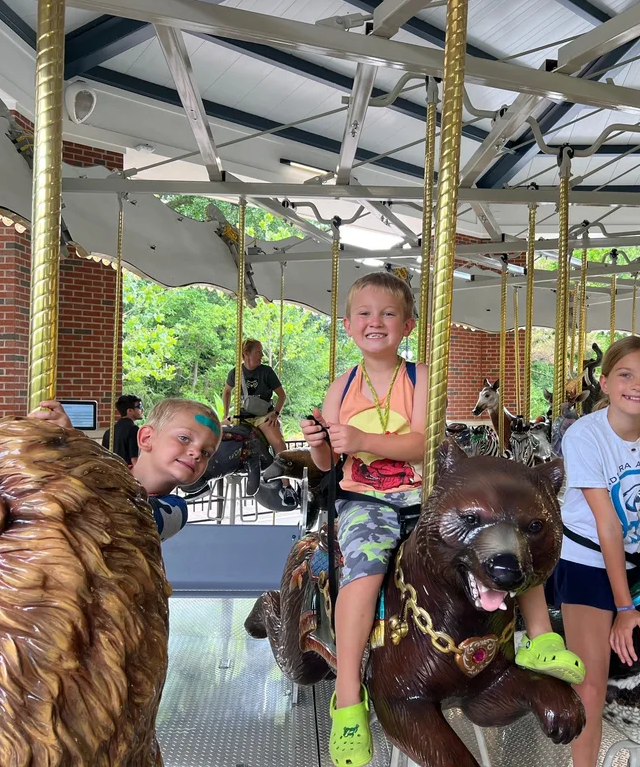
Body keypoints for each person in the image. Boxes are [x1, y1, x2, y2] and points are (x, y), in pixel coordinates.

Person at [299, 272, 582, 767]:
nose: (375, 323)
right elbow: (329, 467)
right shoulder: (339, 387)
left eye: (387, 314)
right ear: (347, 325)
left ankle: (541, 641)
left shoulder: (421, 379)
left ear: (407, 325)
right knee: (364, 577)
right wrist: (321, 444)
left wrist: (364, 440)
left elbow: (425, 444)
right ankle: (348, 697)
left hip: (425, 501)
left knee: (508, 541)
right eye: (364, 314)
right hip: (367, 503)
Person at [553, 336, 640, 767]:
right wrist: (623, 607)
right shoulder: (586, 436)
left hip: (633, 557)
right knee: (590, 681)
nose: (637, 385)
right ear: (604, 383)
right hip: (586, 561)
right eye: (625, 375)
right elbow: (606, 524)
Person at [32, 398, 220, 542]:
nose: (196, 454)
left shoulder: (175, 511)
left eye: (206, 452)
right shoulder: (105, 472)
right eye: (184, 438)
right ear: (147, 438)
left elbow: (122, 511)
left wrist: (76, 448)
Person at [222, 338, 298, 507]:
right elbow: (226, 392)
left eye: (261, 352)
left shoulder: (267, 372)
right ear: (246, 354)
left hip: (263, 415)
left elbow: (282, 395)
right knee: (217, 432)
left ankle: (286, 486)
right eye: (258, 352)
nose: (261, 355)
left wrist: (275, 414)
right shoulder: (236, 372)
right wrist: (225, 414)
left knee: (278, 442)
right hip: (242, 415)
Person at [101, 394, 144, 465]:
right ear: (130, 410)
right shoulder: (133, 429)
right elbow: (134, 460)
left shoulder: (108, 432)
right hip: (127, 472)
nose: (142, 409)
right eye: (139, 406)